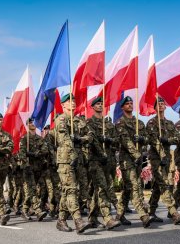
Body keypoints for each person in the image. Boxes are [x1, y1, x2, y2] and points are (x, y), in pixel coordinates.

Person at [54, 94, 91, 234]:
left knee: (70, 190)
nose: (73, 103)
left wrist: (79, 138)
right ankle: (78, 221)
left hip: (79, 159)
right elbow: (64, 140)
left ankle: (61, 220)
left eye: (74, 100)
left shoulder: (79, 120)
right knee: (70, 190)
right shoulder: (61, 119)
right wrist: (73, 154)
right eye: (69, 101)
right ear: (63, 105)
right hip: (66, 160)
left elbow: (90, 136)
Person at [115, 96, 154, 228]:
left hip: (138, 161)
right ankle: (143, 215)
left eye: (132, 103)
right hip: (127, 160)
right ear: (122, 107)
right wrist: (137, 154)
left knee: (128, 188)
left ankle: (119, 214)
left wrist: (142, 138)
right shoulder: (120, 123)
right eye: (127, 104)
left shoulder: (139, 124)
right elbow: (125, 141)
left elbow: (148, 139)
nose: (130, 105)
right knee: (135, 185)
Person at [146, 97, 180, 225]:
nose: (161, 105)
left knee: (158, 186)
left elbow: (177, 139)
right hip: (156, 158)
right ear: (155, 107)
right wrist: (162, 154)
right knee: (163, 184)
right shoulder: (151, 123)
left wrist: (167, 141)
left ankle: (151, 212)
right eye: (159, 104)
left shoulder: (169, 123)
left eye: (163, 103)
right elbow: (154, 140)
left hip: (168, 158)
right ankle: (174, 213)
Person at [86, 97, 122, 230]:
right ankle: (107, 218)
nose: (100, 106)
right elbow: (91, 141)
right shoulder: (89, 123)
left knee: (99, 188)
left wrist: (108, 140)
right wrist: (100, 151)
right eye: (98, 104)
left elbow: (117, 141)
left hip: (108, 160)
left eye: (102, 104)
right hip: (95, 160)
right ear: (93, 107)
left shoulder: (109, 124)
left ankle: (92, 218)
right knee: (102, 187)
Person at [18, 118, 48, 221]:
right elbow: (21, 153)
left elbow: (44, 150)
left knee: (34, 190)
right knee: (32, 189)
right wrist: (27, 161)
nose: (32, 124)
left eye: (33, 122)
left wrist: (34, 154)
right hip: (28, 167)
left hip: (38, 167)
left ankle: (24, 210)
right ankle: (38, 210)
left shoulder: (40, 139)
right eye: (30, 122)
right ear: (27, 125)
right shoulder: (24, 139)